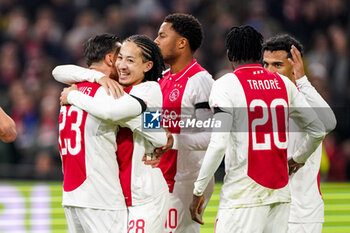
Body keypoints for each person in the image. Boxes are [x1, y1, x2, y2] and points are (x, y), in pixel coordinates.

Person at [190, 25, 326, 233]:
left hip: (243, 196)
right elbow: (318, 128)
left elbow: (218, 144)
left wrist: (198, 190)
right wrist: (299, 158)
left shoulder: (226, 84)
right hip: (280, 196)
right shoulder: (283, 83)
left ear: (229, 54)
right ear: (259, 53)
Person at [54, 34, 170, 233]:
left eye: (130, 60)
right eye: (120, 57)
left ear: (147, 66)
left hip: (143, 194)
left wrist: (72, 95)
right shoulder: (109, 91)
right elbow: (58, 71)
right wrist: (97, 77)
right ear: (111, 59)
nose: (122, 65)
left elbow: (157, 135)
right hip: (115, 194)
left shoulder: (148, 89)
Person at [262, 34, 337, 233]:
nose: (269, 71)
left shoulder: (304, 98)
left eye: (277, 65)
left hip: (302, 212)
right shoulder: (261, 104)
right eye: (265, 64)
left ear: (295, 66)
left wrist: (302, 80)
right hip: (268, 208)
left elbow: (329, 123)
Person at [154, 13, 214, 233]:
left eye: (162, 35)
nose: (156, 41)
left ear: (181, 43)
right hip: (160, 177)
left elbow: (213, 135)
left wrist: (174, 141)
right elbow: (153, 125)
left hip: (186, 181)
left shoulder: (201, 80)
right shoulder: (161, 79)